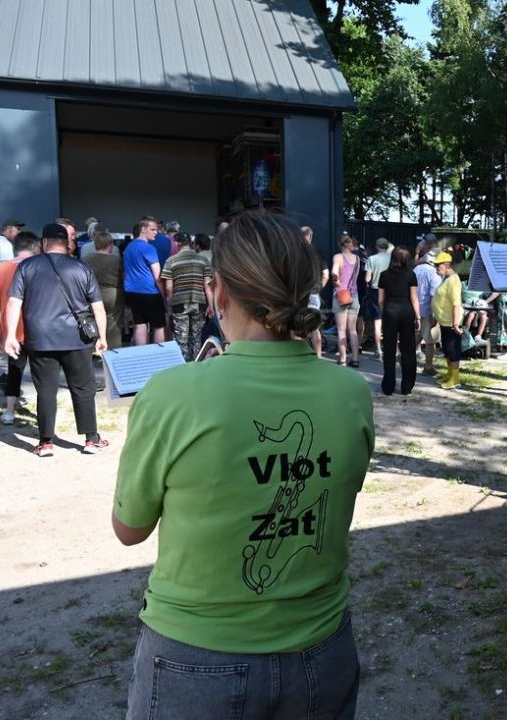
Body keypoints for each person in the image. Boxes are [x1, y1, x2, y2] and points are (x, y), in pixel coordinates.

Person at [113, 210, 373, 720]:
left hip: (196, 654)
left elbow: (130, 529)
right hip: (322, 650)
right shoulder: (351, 391)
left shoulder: (172, 393)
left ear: (221, 291)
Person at [4, 223, 109, 457]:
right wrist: (102, 337)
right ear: (67, 243)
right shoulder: (81, 267)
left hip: (40, 339)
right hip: (77, 338)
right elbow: (97, 306)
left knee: (46, 390)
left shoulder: (27, 266)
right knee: (83, 388)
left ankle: (45, 442)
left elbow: (14, 302)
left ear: (44, 242)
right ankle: (91, 439)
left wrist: (10, 335)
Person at [0, 230, 41, 424]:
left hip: (12, 331)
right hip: (39, 330)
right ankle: (44, 413)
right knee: (42, 373)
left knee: (14, 371)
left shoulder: (1, 269)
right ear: (36, 247)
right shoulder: (40, 267)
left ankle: (9, 411)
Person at [161, 232, 214, 361]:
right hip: (199, 302)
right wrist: (211, 305)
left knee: (181, 338)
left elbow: (169, 287)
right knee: (197, 337)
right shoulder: (202, 260)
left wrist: (169, 305)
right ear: (190, 243)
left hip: (179, 303)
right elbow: (207, 285)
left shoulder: (171, 261)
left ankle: (183, 364)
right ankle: (197, 363)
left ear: (176, 243)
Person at [378, 246, 420, 396]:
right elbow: (414, 298)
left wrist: (386, 310)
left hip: (390, 311)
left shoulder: (384, 275)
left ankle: (388, 386)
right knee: (408, 350)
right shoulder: (411, 275)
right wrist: (418, 317)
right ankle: (406, 386)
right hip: (406, 312)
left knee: (389, 350)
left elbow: (380, 299)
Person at [123, 218, 165, 345]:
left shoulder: (129, 247)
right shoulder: (149, 248)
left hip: (132, 291)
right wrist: (164, 296)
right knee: (159, 326)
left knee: (140, 324)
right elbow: (157, 276)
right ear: (143, 229)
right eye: (153, 230)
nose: (156, 232)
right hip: (150, 292)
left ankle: (141, 353)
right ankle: (159, 353)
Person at [83, 230, 125, 349]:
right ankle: (113, 350)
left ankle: (94, 349)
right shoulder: (116, 260)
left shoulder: (86, 259)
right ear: (109, 244)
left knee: (93, 322)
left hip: (92, 294)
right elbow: (123, 277)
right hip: (113, 295)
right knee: (114, 324)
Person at [430, 251, 463, 390]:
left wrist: (455, 324)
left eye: (438, 265)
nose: (436, 268)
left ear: (446, 265)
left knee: (453, 350)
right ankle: (450, 374)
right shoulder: (446, 279)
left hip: (451, 323)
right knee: (447, 350)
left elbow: (456, 304)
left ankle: (455, 379)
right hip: (444, 321)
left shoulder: (453, 281)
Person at [330, 233, 361, 367]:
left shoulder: (338, 257)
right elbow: (355, 278)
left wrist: (336, 281)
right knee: (352, 330)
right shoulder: (357, 258)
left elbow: (334, 273)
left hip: (341, 296)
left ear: (340, 244)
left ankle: (342, 359)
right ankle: (355, 359)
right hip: (354, 295)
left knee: (341, 330)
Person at [301, 226, 329, 358]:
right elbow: (326, 275)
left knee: (298, 325)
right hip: (314, 293)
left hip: (299, 294)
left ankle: (299, 355)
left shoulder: (296, 251)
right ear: (310, 236)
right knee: (315, 327)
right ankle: (318, 356)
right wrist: (318, 288)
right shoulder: (318, 252)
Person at [413, 249, 442, 375]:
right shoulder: (434, 273)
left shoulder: (415, 270)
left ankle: (405, 356)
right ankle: (428, 366)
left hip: (414, 309)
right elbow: (435, 295)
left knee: (418, 335)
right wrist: (435, 315)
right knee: (431, 341)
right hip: (428, 310)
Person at [364, 237, 392, 355]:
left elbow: (367, 279)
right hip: (390, 291)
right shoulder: (392, 259)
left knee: (377, 321)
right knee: (390, 321)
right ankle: (392, 348)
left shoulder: (371, 259)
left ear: (377, 247)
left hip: (375, 292)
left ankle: (379, 349)